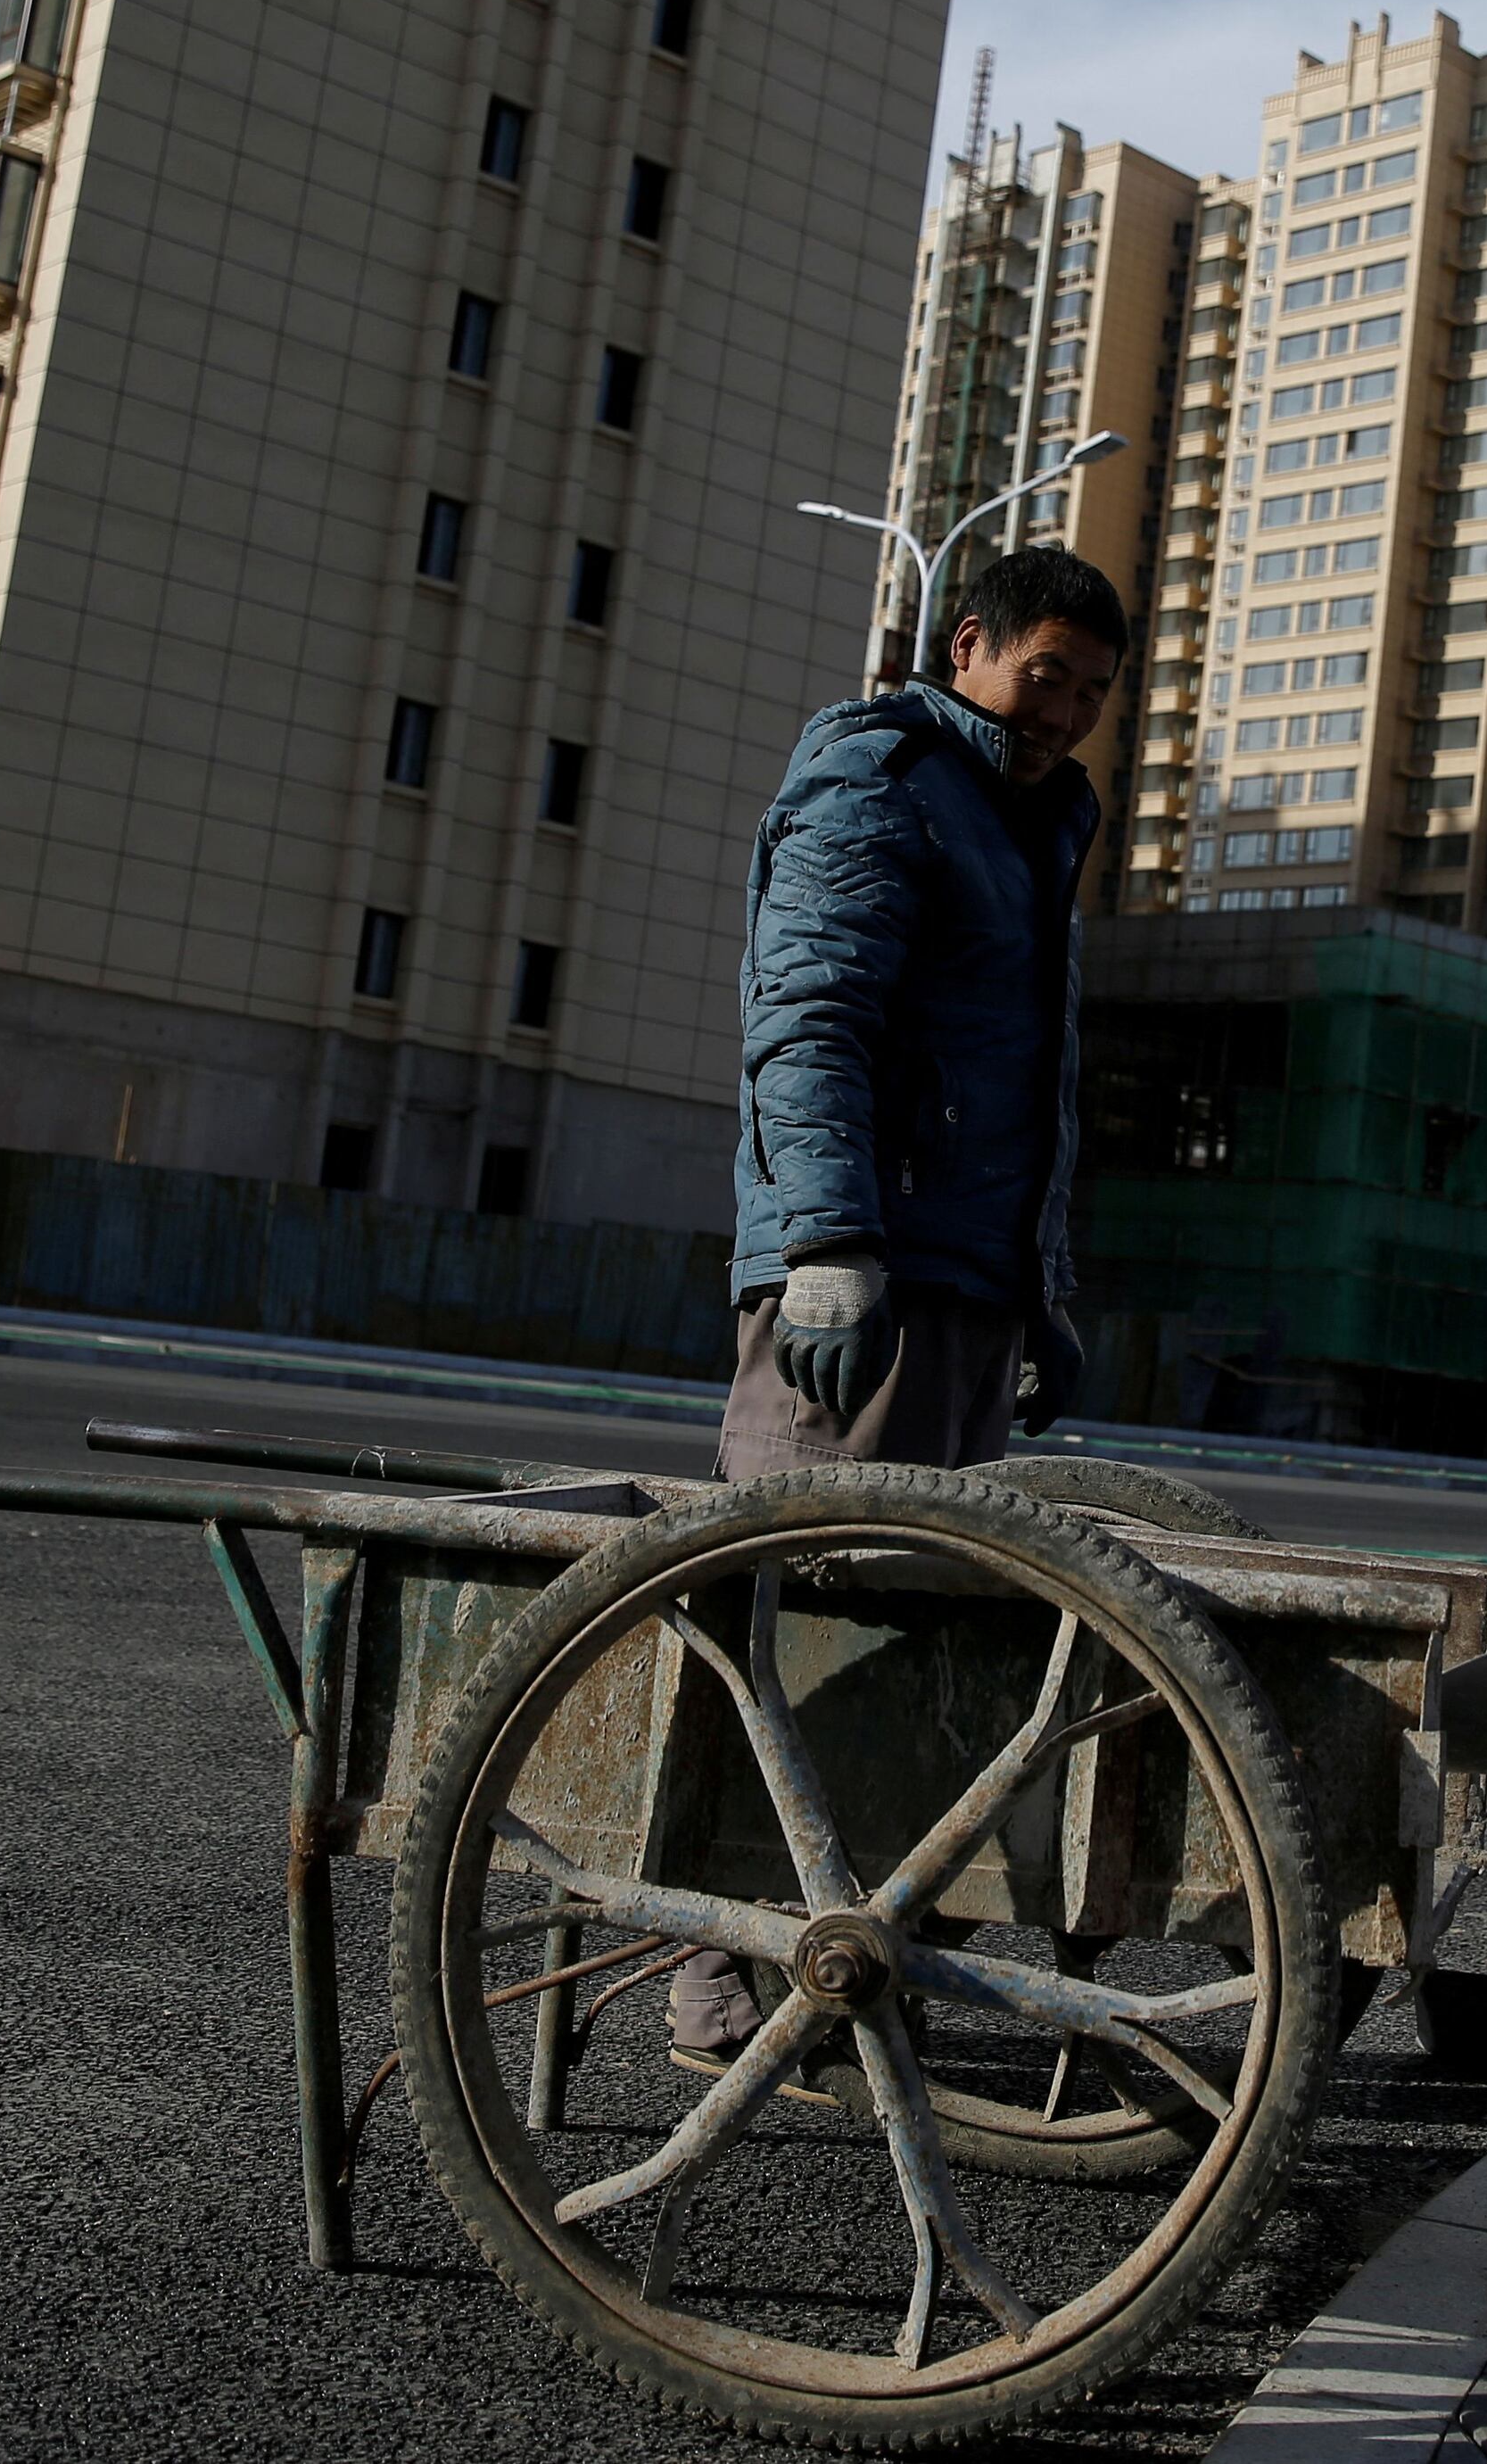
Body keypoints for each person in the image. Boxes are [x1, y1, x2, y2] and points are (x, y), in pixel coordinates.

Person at [665, 542, 1130, 2065]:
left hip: (967, 1284)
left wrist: (1035, 1300)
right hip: (855, 1281)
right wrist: (827, 1238)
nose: (1066, 709)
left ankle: (861, 1947)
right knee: (800, 1621)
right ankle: (724, 1972)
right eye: (1045, 672)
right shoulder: (882, 772)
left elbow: (1034, 1084)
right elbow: (811, 1004)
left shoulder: (1036, 815)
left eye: (1093, 691)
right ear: (970, 640)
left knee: (916, 1638)